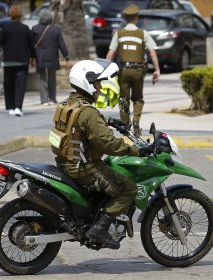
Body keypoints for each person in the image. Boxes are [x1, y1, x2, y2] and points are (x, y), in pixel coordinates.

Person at [50, 58, 152, 249]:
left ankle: (95, 215)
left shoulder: (67, 103)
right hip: (85, 168)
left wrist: (110, 121)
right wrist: (137, 150)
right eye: (97, 83)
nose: (99, 87)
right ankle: (100, 228)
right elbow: (107, 143)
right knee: (129, 189)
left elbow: (83, 122)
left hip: (65, 163)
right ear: (87, 82)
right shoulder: (88, 113)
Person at [106, 4, 160, 136]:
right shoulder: (143, 33)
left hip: (123, 71)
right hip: (138, 71)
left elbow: (110, 54)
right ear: (136, 18)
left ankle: (125, 124)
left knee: (123, 98)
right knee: (138, 98)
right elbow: (152, 52)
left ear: (125, 18)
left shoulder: (119, 34)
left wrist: (105, 71)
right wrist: (157, 70)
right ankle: (136, 122)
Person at [0, 4, 35, 117]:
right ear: (20, 16)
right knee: (20, 85)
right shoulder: (25, 29)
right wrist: (33, 57)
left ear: (10, 16)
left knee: (9, 84)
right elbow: (32, 45)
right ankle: (18, 107)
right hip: (22, 61)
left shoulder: (5, 28)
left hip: (8, 61)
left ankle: (10, 107)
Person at [31, 10, 69, 106]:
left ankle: (44, 100)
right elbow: (61, 44)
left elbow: (31, 45)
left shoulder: (35, 29)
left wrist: (31, 57)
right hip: (52, 57)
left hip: (40, 57)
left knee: (41, 77)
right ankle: (52, 98)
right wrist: (66, 56)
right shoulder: (55, 29)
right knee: (52, 77)